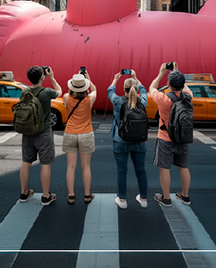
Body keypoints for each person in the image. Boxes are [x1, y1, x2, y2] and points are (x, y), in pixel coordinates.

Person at [149, 62, 195, 206]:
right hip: (183, 138)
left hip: (165, 138)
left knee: (165, 168)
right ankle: (185, 196)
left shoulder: (164, 99)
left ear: (168, 83)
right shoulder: (188, 97)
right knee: (184, 167)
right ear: (182, 84)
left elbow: (152, 88)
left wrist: (161, 73)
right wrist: (177, 71)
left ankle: (166, 198)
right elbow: (185, 87)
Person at [18, 65, 62, 205]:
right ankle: (45, 196)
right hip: (44, 133)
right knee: (45, 164)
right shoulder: (46, 92)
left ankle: (24, 193)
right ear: (42, 77)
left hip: (27, 131)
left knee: (26, 162)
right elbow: (59, 92)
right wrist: (52, 77)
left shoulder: (25, 91)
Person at [107, 72, 150, 209]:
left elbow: (110, 91)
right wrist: (136, 78)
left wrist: (115, 79)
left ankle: (123, 200)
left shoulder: (118, 101)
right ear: (136, 89)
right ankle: (143, 199)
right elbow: (143, 90)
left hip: (120, 141)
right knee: (141, 170)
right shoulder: (142, 102)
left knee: (122, 171)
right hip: (139, 142)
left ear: (124, 89)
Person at [60, 72, 98, 205]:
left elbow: (68, 93)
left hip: (70, 133)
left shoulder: (66, 97)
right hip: (86, 133)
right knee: (86, 166)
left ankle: (71, 195)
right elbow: (94, 90)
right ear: (84, 86)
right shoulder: (90, 99)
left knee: (70, 167)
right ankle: (87, 195)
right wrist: (88, 77)